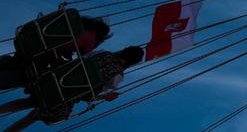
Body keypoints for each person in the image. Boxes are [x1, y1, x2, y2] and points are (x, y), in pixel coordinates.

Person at [0, 46, 143, 132]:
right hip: (66, 95)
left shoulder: (102, 53)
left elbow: (81, 60)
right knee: (36, 114)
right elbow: (92, 93)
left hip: (57, 78)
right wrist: (106, 97)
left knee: (29, 101)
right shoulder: (117, 77)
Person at [0, 15, 111, 91]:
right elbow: (82, 60)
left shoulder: (77, 22)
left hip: (36, 44)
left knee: (17, 60)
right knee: (28, 75)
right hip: (46, 55)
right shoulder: (91, 40)